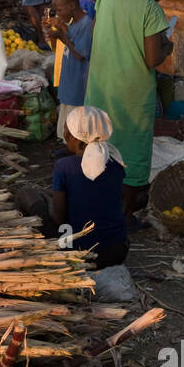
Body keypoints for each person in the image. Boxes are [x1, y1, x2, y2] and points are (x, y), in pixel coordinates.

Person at [85, 0, 177, 217]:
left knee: (101, 145)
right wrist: (167, 46)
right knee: (131, 153)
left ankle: (98, 205)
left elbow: (95, 33)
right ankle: (123, 215)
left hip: (101, 85)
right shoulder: (151, 8)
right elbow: (152, 59)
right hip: (132, 92)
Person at [51, 107, 129, 269]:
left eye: (66, 132)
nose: (65, 136)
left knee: (29, 196)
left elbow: (58, 218)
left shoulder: (63, 166)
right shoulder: (115, 161)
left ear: (71, 136)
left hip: (80, 253)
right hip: (117, 251)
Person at [47, 0, 94, 139]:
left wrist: (63, 37)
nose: (58, 14)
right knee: (66, 124)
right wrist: (60, 32)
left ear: (72, 6)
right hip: (69, 82)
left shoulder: (86, 24)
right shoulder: (74, 24)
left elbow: (80, 55)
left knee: (76, 126)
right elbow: (71, 41)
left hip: (78, 84)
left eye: (60, 10)